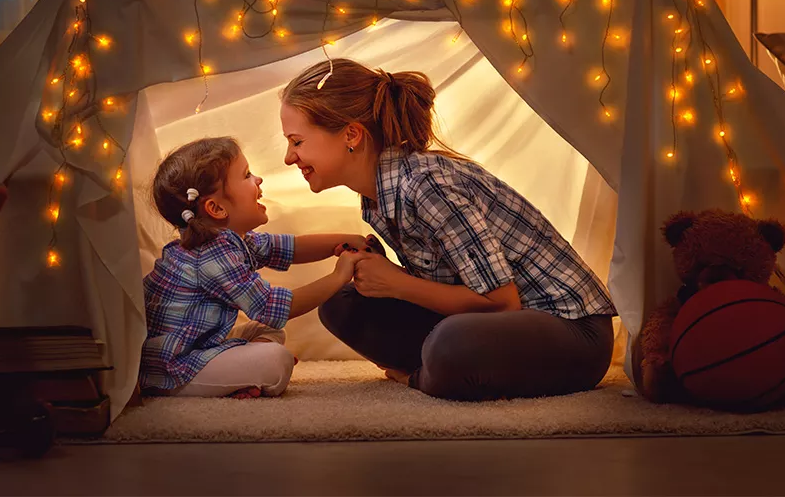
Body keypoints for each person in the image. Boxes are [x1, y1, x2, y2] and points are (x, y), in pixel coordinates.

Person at [278, 58, 618, 401]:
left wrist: (397, 283)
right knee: (341, 303)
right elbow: (451, 284)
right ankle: (440, 371)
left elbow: (502, 303)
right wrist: (385, 277)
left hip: (571, 333)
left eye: (297, 141)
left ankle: (424, 377)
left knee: (452, 343)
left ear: (351, 135)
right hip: (496, 326)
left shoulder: (427, 185)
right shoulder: (378, 197)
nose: (289, 158)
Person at [141, 136, 374, 399]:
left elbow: (291, 248)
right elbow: (272, 307)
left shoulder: (230, 241)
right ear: (216, 208)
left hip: (199, 345)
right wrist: (338, 277)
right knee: (276, 361)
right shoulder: (209, 255)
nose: (258, 180)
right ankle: (242, 375)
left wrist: (346, 240)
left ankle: (239, 377)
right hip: (174, 368)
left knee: (267, 332)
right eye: (247, 174)